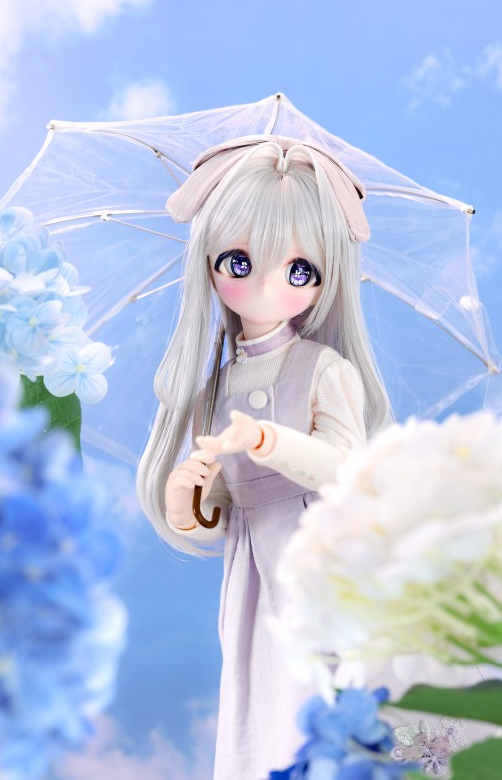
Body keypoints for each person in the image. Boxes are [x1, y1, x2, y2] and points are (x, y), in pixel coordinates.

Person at [136, 135, 391, 780]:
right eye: (239, 261)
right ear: (209, 264)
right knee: (257, 711)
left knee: (320, 699)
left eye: (299, 270)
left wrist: (269, 441)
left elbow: (346, 469)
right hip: (252, 575)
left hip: (319, 564)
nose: (268, 283)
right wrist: (189, 504)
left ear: (326, 277)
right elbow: (228, 508)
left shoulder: (325, 369)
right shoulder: (216, 388)